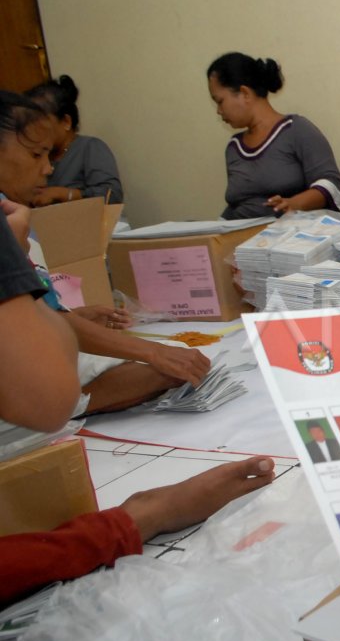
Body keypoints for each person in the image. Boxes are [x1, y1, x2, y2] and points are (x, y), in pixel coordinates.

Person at [0, 94, 277, 606]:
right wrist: (143, 516)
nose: (48, 167)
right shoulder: (11, 236)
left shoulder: (19, 227)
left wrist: (62, 318)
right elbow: (51, 398)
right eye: (36, 154)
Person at [0, 92, 211, 414]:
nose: (46, 170)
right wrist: (152, 351)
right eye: (36, 155)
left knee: (172, 360)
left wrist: (73, 317)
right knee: (168, 366)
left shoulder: (13, 214)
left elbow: (31, 310)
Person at [206, 52, 340, 219]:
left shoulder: (296, 130)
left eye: (220, 101)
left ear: (245, 93)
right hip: (241, 239)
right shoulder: (234, 147)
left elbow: (332, 186)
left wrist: (294, 203)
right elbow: (238, 205)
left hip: (292, 237)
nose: (219, 111)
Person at [24, 75, 123, 204]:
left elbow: (113, 195)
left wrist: (65, 194)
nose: (32, 129)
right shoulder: (34, 155)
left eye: (39, 122)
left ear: (66, 121)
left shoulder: (89, 147)